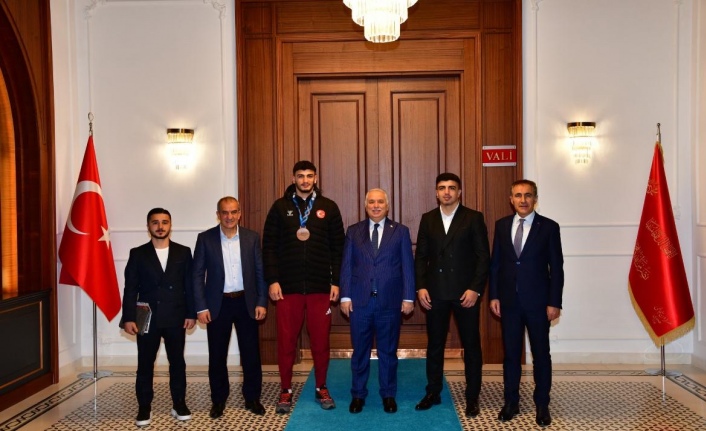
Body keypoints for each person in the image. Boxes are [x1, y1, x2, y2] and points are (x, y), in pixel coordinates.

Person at [263, 160, 345, 414]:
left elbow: (338, 249)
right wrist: (273, 280)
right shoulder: (280, 207)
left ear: (316, 178)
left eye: (310, 176)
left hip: (320, 288)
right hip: (288, 289)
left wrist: (336, 281)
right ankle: (285, 390)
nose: (305, 180)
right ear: (294, 178)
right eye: (301, 176)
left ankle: (321, 387)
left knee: (320, 342)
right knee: (286, 342)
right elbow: (269, 247)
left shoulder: (328, 207)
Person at [489, 179, 564, 427]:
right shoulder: (501, 225)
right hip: (509, 303)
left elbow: (557, 268)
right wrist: (494, 296)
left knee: (541, 354)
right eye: (518, 195)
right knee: (511, 355)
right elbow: (495, 265)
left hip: (539, 304)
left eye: (528, 195)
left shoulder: (549, 227)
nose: (523, 200)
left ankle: (542, 404)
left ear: (535, 199)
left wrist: (554, 302)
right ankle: (511, 402)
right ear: (511, 199)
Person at [414, 173, 490, 418]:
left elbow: (483, 257)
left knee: (471, 346)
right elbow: (421, 257)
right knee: (435, 345)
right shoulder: (428, 219)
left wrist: (475, 289)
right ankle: (433, 392)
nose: (446, 192)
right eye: (442, 188)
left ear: (459, 192)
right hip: (435, 292)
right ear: (436, 192)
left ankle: (472, 397)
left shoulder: (473, 217)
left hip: (465, 293)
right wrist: (421, 287)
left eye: (451, 188)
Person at [340, 188, 415, 414]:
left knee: (388, 352)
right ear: (366, 206)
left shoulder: (400, 231)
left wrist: (408, 297)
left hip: (390, 303)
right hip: (359, 303)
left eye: (380, 202)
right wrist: (345, 296)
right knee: (360, 352)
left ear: (387, 206)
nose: (376, 206)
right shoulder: (353, 231)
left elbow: (407, 267)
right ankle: (358, 395)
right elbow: (346, 266)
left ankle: (388, 394)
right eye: (371, 202)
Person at [192, 197, 268, 419]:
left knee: (251, 354)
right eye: (225, 212)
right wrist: (201, 307)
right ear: (218, 215)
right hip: (218, 304)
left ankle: (252, 398)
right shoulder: (205, 239)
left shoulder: (251, 238)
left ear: (239, 213)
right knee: (217, 355)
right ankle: (218, 400)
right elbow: (197, 275)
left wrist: (261, 301)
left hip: (246, 303)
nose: (229, 216)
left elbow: (260, 271)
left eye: (233, 212)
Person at [121, 208, 196, 427]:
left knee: (177, 363)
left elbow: (190, 286)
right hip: (146, 318)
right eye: (155, 222)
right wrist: (128, 317)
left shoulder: (183, 252)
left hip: (176, 316)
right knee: (145, 364)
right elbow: (130, 288)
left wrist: (191, 313)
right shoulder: (138, 253)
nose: (160, 226)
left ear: (170, 225)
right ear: (148, 226)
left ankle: (179, 403)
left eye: (165, 222)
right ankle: (144, 406)